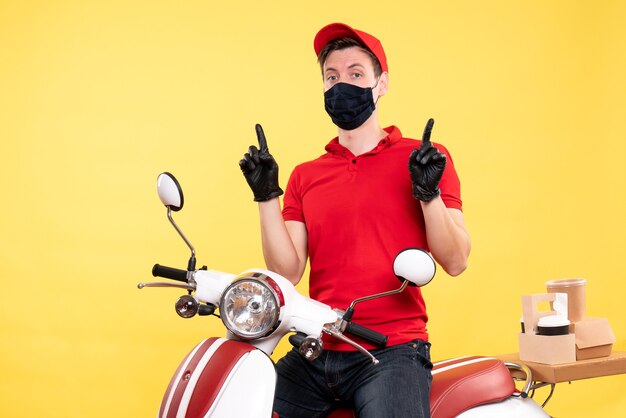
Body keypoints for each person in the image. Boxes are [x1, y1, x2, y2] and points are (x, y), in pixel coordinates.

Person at [239, 22, 471, 418]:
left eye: (356, 74)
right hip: (318, 344)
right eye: (332, 77)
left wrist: (427, 193)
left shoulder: (424, 159)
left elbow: (456, 261)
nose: (341, 84)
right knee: (245, 403)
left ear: (381, 84)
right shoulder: (305, 175)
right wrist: (266, 196)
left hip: (392, 351)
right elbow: (287, 271)